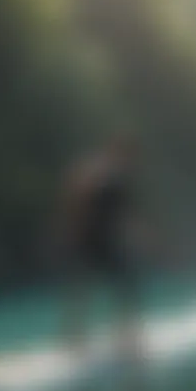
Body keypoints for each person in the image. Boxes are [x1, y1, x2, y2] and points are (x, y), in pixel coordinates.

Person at [58, 134, 149, 362]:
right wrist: (73, 233)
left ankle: (122, 339)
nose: (129, 161)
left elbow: (124, 215)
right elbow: (79, 200)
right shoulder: (98, 173)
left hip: (104, 240)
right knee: (90, 288)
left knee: (119, 285)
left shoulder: (117, 179)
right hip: (92, 239)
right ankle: (79, 341)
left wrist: (139, 236)